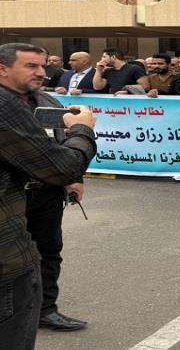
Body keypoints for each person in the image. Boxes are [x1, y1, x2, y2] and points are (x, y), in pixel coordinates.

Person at [0, 43, 97, 346]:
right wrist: (83, 131)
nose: (42, 72)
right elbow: (62, 162)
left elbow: (57, 145)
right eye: (31, 66)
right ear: (3, 69)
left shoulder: (45, 100)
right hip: (13, 201)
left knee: (48, 251)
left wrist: (74, 180)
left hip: (46, 192)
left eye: (43, 66)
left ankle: (46, 309)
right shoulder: (7, 107)